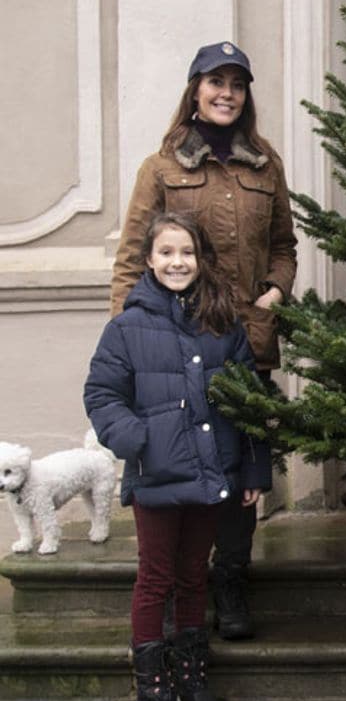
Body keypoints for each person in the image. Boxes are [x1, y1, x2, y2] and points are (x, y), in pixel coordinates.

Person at [110, 42, 297, 640]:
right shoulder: (161, 168)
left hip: (246, 343)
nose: (226, 93)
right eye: (214, 81)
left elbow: (284, 245)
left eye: (237, 84)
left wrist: (274, 292)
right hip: (170, 350)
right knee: (177, 464)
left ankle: (230, 580)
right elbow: (131, 259)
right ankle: (172, 590)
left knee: (239, 464)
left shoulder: (264, 163)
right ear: (194, 91)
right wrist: (129, 340)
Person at [85, 211, 272, 701]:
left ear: (201, 259)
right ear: (148, 260)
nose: (177, 262)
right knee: (156, 578)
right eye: (166, 253)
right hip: (158, 478)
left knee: (194, 577)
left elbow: (248, 402)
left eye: (186, 252)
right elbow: (102, 395)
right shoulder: (127, 327)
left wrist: (254, 467)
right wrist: (139, 441)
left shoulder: (222, 323)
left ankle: (190, 682)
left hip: (213, 474)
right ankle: (151, 696)